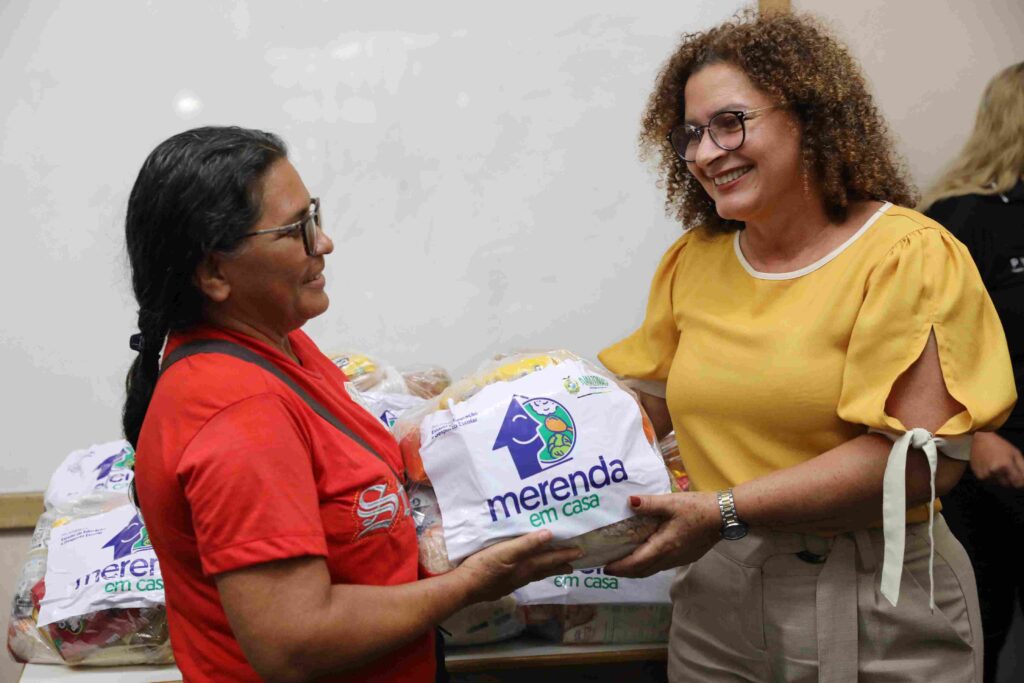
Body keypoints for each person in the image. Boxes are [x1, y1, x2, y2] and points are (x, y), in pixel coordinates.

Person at [597, 12, 1016, 682]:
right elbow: (644, 404)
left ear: (811, 116)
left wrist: (726, 509)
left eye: (731, 122)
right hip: (719, 603)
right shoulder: (694, 261)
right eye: (691, 133)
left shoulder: (907, 253)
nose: (706, 153)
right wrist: (495, 434)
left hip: (878, 605)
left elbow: (917, 462)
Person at [123, 126, 581, 683]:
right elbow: (294, 643)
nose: (324, 243)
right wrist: (470, 585)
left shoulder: (281, 346)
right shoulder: (241, 416)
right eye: (296, 230)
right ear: (214, 273)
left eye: (313, 214)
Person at [919, 61, 1024, 683]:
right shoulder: (958, 218)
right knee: (979, 629)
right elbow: (926, 343)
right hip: (988, 460)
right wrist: (974, 433)